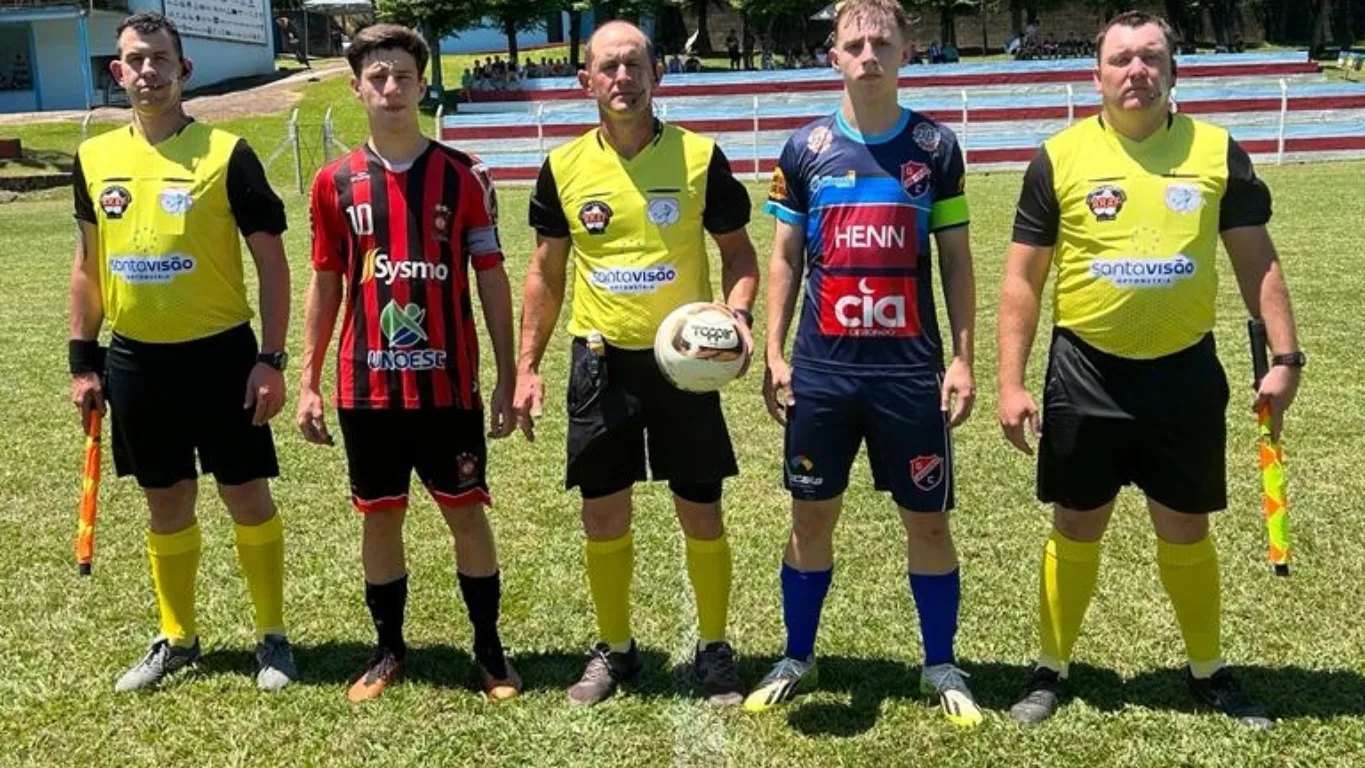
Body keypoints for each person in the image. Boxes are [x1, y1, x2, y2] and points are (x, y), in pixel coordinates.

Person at [997, 11, 1302, 729]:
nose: (1135, 71)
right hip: (1085, 372)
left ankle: (1207, 670)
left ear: (1173, 70)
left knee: (1186, 526)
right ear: (1096, 74)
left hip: (1182, 372)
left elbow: (1256, 261)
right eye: (1121, 59)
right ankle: (1050, 669)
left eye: (1150, 57)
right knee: (1075, 523)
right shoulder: (1057, 157)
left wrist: (1285, 357)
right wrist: (1010, 382)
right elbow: (1021, 280)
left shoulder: (1217, 152)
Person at [743, 0, 981, 726]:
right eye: (854, 44)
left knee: (928, 522)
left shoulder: (935, 148)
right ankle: (797, 656)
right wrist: (774, 352)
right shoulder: (804, 149)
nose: (868, 55)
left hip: (909, 373)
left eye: (881, 42)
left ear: (906, 51)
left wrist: (963, 359)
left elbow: (956, 261)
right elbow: (785, 259)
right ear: (834, 58)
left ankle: (940, 664)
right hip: (822, 372)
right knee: (810, 515)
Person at [516, 20, 760, 707]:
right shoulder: (563, 167)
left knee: (700, 510)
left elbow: (739, 255)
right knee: (603, 514)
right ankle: (616, 649)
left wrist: (737, 317)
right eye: (608, 67)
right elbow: (545, 272)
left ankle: (713, 647)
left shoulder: (699, 157)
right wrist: (528, 366)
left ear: (657, 74)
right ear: (585, 81)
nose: (622, 77)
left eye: (633, 64)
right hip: (600, 363)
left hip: (686, 367)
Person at [68, 12, 296, 692]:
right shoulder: (94, 158)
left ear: (183, 69)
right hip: (136, 361)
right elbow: (87, 266)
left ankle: (272, 637)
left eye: (160, 59)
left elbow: (273, 265)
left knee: (246, 495)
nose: (148, 71)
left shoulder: (227, 153)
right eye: (135, 60)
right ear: (117, 71)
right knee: (165, 502)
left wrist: (271, 359)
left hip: (222, 357)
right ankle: (178, 637)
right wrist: (83, 360)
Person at [297, 23, 521, 703]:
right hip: (367, 390)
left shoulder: (465, 175)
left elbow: (490, 277)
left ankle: (489, 651)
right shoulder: (334, 183)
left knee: (466, 513)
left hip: (447, 388)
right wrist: (307, 381)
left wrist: (508, 375)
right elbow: (326, 282)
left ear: (423, 84)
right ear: (356, 87)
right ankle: (388, 649)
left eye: (402, 76)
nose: (391, 87)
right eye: (378, 77)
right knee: (380, 516)